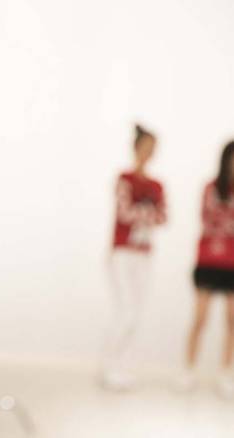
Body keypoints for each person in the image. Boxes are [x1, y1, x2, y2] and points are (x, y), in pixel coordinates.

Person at [101, 124, 167, 390]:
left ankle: (124, 366)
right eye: (146, 147)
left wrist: (143, 213)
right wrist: (147, 212)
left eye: (153, 148)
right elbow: (124, 213)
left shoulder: (156, 185)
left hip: (143, 255)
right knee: (126, 310)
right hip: (122, 252)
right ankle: (110, 366)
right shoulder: (125, 179)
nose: (149, 152)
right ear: (136, 147)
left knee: (137, 312)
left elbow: (163, 217)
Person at [180, 141, 234, 397]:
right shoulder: (210, 189)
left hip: (232, 263)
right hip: (208, 261)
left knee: (232, 320)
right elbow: (209, 220)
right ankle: (188, 370)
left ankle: (225, 373)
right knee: (200, 318)